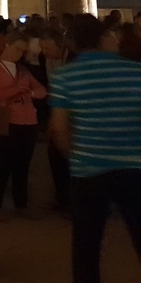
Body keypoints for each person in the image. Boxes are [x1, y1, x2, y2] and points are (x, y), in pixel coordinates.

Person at [49, 14, 141, 283]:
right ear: (103, 38)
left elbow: (58, 128)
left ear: (73, 44)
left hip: (88, 171)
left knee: (86, 246)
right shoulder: (135, 71)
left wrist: (75, 156)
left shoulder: (65, 75)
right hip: (134, 167)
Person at [0, 30, 46, 221]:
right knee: (4, 163)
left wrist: (31, 94)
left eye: (23, 51)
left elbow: (41, 90)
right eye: (17, 49)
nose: (19, 55)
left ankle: (21, 203)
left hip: (28, 120)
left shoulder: (22, 70)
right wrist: (14, 91)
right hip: (7, 120)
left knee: (23, 165)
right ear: (7, 45)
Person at [40, 27, 76, 210]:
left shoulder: (73, 60)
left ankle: (71, 201)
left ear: (60, 46)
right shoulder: (45, 60)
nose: (44, 52)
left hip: (73, 116)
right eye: (42, 48)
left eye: (47, 48)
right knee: (55, 157)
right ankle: (62, 198)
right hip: (57, 112)